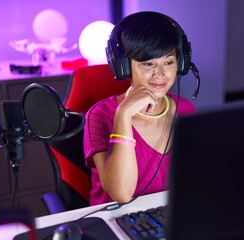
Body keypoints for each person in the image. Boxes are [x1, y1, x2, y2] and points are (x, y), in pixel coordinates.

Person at [83, 11, 199, 205]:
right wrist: (124, 115)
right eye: (147, 64)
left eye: (168, 62)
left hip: (167, 217)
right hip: (115, 222)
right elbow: (121, 194)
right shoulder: (100, 115)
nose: (160, 73)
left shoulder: (184, 109)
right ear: (124, 67)